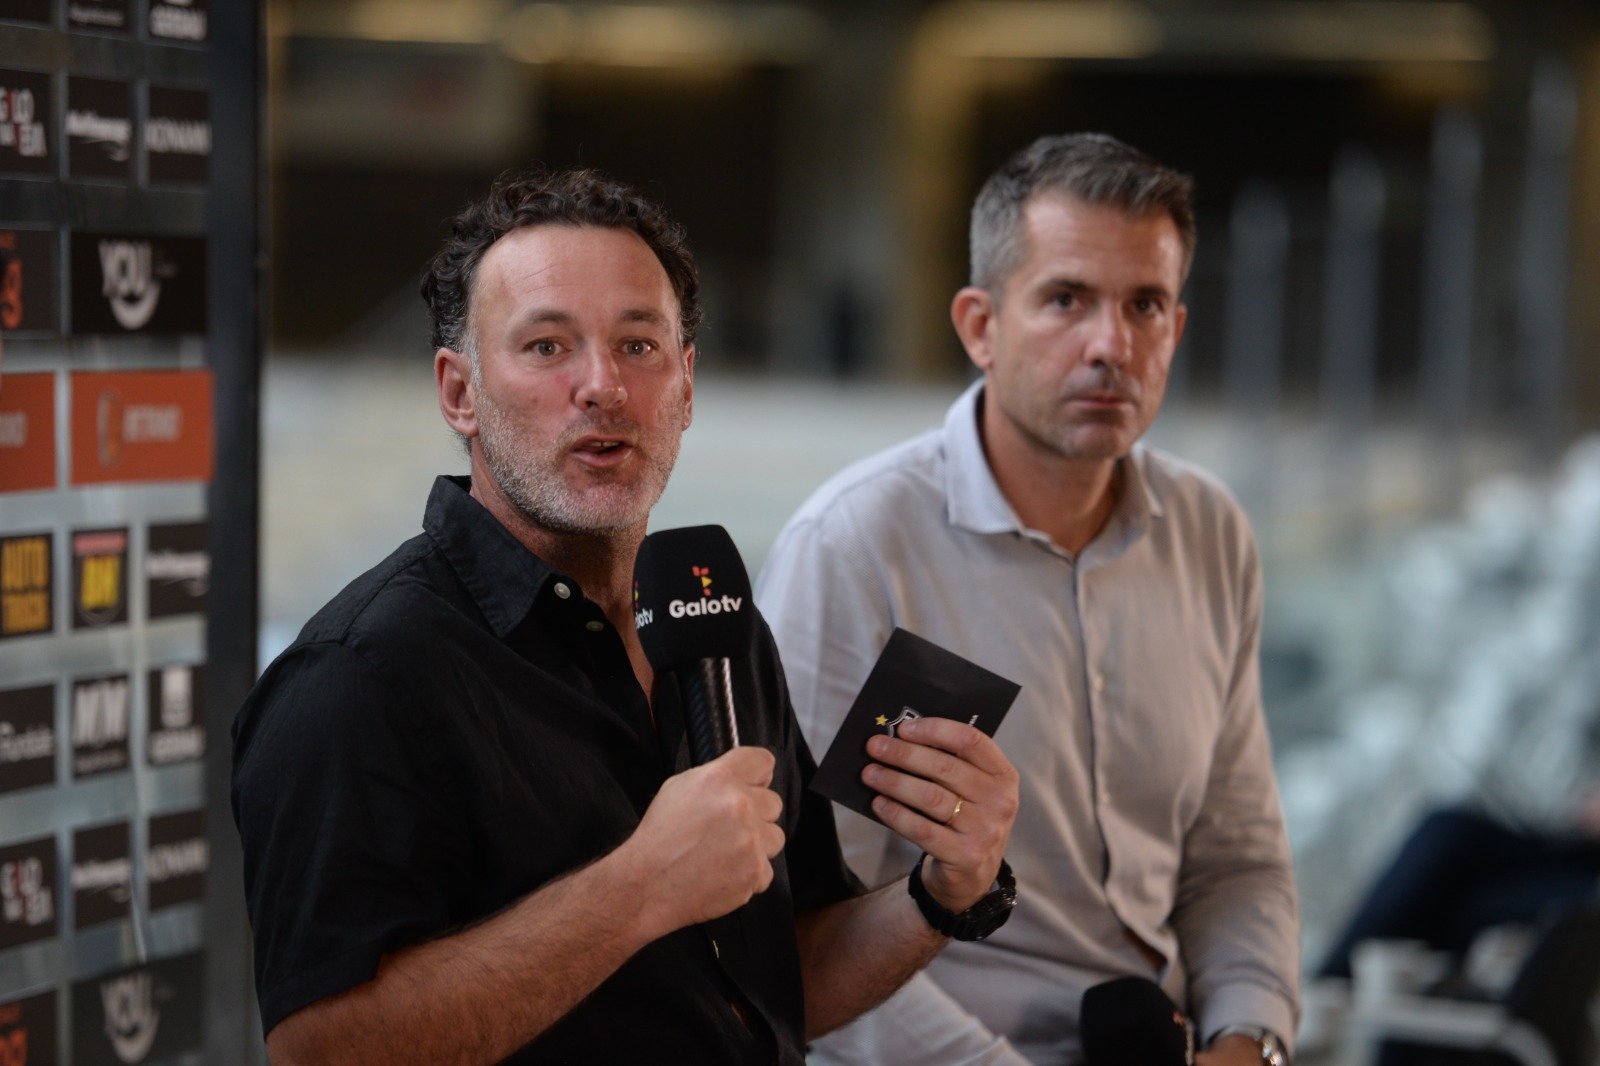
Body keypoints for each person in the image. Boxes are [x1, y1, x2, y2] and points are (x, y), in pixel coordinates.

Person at [231, 168, 1021, 1064]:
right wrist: (638, 889)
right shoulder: (358, 675)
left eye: (638, 346)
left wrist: (944, 891)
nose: (602, 385)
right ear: (460, 393)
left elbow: (779, 978)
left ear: (685, 387)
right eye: (546, 347)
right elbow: (322, 1049)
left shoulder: (716, 626)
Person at [757, 133, 1300, 1065]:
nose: (1111, 346)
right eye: (1066, 300)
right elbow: (801, 927)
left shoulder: (1211, 532)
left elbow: (1236, 856)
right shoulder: (855, 547)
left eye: (1146, 305)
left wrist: (1250, 1041)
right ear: (980, 325)